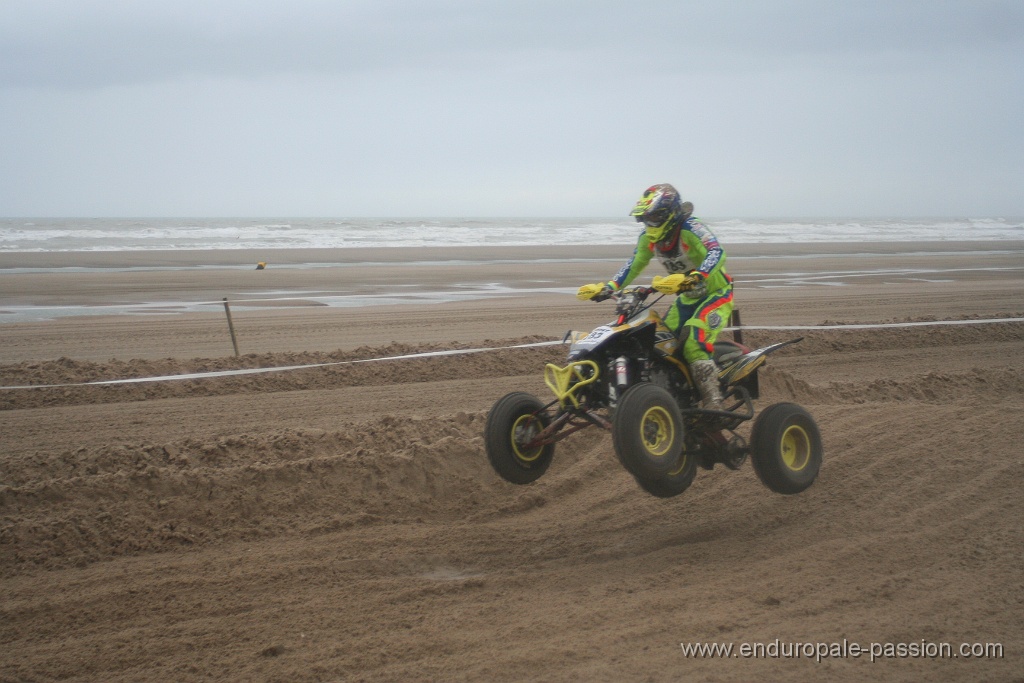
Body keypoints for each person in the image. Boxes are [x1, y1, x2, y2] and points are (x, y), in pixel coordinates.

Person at [577, 183, 734, 410]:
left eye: (654, 217)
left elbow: (716, 251)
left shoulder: (691, 227)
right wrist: (609, 286)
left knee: (693, 344)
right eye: (646, 219)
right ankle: (673, 396)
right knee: (662, 344)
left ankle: (713, 402)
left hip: (715, 294)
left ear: (669, 213)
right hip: (686, 299)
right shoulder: (648, 238)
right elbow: (634, 264)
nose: (650, 224)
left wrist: (699, 275)